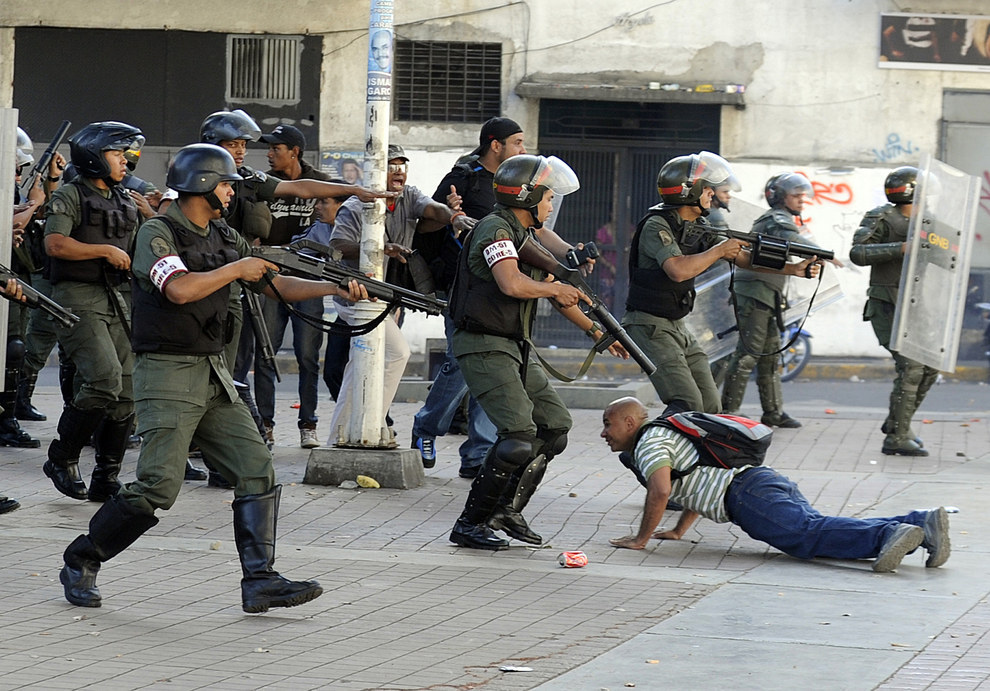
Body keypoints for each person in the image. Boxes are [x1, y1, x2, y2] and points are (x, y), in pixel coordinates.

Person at [57, 143, 371, 613]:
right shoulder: (158, 233)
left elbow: (273, 283)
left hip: (211, 372)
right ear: (204, 184)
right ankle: (81, 559)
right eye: (226, 183)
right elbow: (179, 289)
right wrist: (237, 268)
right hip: (167, 374)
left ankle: (260, 580)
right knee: (158, 485)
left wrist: (335, 285)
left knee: (255, 467)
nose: (232, 191)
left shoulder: (223, 235)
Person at [446, 154, 628, 550]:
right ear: (526, 196)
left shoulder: (523, 236)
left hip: (513, 344)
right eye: (547, 198)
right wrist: (554, 288)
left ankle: (506, 508)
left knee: (555, 427)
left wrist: (599, 332)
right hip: (484, 344)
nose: (550, 206)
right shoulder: (496, 231)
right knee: (518, 437)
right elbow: (512, 284)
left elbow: (562, 292)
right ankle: (470, 524)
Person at [602, 397, 951, 572]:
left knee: (808, 537)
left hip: (746, 496)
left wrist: (640, 539)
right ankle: (919, 523)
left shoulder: (647, 445)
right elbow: (696, 476)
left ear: (630, 422)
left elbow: (661, 490)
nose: (603, 432)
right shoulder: (664, 433)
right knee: (817, 530)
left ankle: (888, 535)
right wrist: (679, 530)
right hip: (759, 482)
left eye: (608, 424)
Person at [621, 152, 821, 414]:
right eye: (707, 190)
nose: (711, 196)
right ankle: (651, 449)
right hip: (649, 325)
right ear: (688, 192)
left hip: (677, 324)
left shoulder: (698, 225)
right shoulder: (657, 225)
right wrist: (719, 250)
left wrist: (793, 269)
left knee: (711, 406)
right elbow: (678, 271)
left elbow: (743, 258)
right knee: (687, 403)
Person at [328, 143, 473, 447]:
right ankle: (369, 426)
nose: (398, 172)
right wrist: (380, 250)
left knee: (362, 365)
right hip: (357, 297)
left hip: (390, 298)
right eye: (391, 166)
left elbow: (432, 208)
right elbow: (338, 248)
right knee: (397, 353)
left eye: (402, 166)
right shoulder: (356, 207)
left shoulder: (409, 197)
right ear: (375, 172)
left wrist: (453, 217)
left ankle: (343, 432)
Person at [409, 117, 526, 477]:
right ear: (496, 145)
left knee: (490, 363)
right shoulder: (463, 177)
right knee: (462, 361)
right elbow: (427, 223)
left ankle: (478, 453)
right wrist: (452, 216)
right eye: (517, 143)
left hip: (498, 285)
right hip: (463, 284)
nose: (522, 150)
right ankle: (426, 428)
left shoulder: (513, 182)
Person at [42, 121, 145, 502]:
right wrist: (102, 251)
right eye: (117, 154)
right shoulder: (70, 194)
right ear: (95, 156)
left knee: (127, 390)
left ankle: (107, 475)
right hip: (77, 296)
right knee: (103, 379)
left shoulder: (124, 199)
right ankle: (62, 457)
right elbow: (55, 244)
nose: (125, 161)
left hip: (118, 299)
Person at [721, 172, 832, 428]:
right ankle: (728, 412)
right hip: (755, 292)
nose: (802, 200)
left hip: (766, 292)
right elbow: (793, 240)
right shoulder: (777, 218)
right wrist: (823, 253)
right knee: (748, 354)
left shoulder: (779, 218)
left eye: (803, 195)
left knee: (770, 356)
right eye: (796, 195)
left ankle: (773, 413)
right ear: (780, 198)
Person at [849, 166, 938, 456]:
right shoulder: (882, 217)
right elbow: (858, 253)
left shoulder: (928, 222)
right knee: (911, 366)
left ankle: (898, 423)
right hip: (887, 301)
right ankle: (897, 437)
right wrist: (901, 248)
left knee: (930, 366)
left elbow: (946, 255)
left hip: (917, 304)